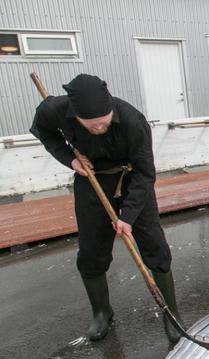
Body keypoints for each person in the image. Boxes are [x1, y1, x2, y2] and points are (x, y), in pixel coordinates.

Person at [30, 74, 182, 342]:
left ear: (110, 108)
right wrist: (70, 160)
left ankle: (171, 313)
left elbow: (146, 173)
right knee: (91, 251)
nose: (99, 127)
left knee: (155, 245)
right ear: (75, 116)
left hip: (132, 177)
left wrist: (128, 217)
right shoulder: (54, 110)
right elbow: (46, 134)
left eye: (103, 122)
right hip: (91, 180)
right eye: (91, 125)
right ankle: (101, 313)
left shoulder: (133, 121)